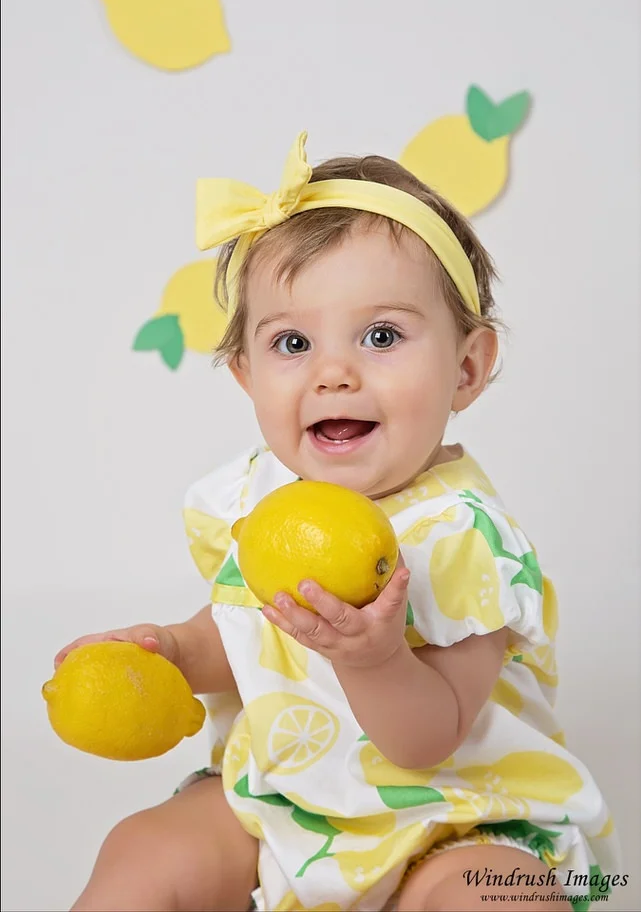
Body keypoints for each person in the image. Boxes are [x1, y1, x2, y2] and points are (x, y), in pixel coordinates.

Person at [56, 133, 620, 911]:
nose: (333, 371)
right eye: (292, 342)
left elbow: (429, 739)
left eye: (381, 336)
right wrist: (169, 653)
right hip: (284, 802)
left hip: (453, 819)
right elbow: (243, 633)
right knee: (144, 847)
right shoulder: (262, 501)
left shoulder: (465, 537)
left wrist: (374, 657)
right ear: (248, 377)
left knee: (495, 895)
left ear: (467, 367)